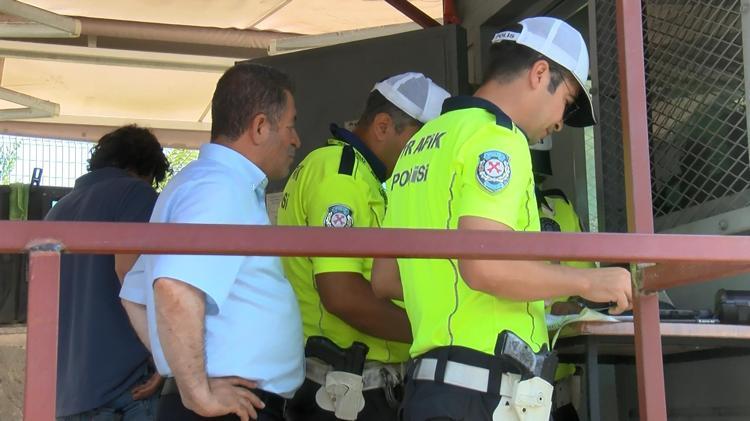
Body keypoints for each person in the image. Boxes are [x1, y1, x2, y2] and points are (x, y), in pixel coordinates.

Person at [372, 17, 633, 421]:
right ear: (540, 73)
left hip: (431, 390)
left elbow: (386, 279)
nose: (560, 121)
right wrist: (588, 281)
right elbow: (484, 267)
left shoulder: (420, 144)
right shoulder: (498, 138)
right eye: (567, 101)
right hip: (483, 392)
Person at [119, 62, 304, 421]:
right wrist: (197, 391)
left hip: (226, 401)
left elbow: (134, 294)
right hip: (227, 408)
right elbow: (173, 287)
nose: (296, 139)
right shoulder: (220, 187)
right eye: (291, 125)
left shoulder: (200, 182)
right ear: (260, 127)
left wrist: (181, 370)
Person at [277, 72, 450, 421]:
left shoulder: (366, 179)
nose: (426, 157)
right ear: (383, 126)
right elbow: (342, 294)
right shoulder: (341, 175)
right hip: (342, 390)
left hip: (360, 387)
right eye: (421, 143)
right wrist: (438, 330)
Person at [46, 125, 170, 421]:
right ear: (145, 168)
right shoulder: (136, 193)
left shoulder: (58, 210)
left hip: (65, 389)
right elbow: (126, 269)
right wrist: (161, 353)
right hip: (124, 383)